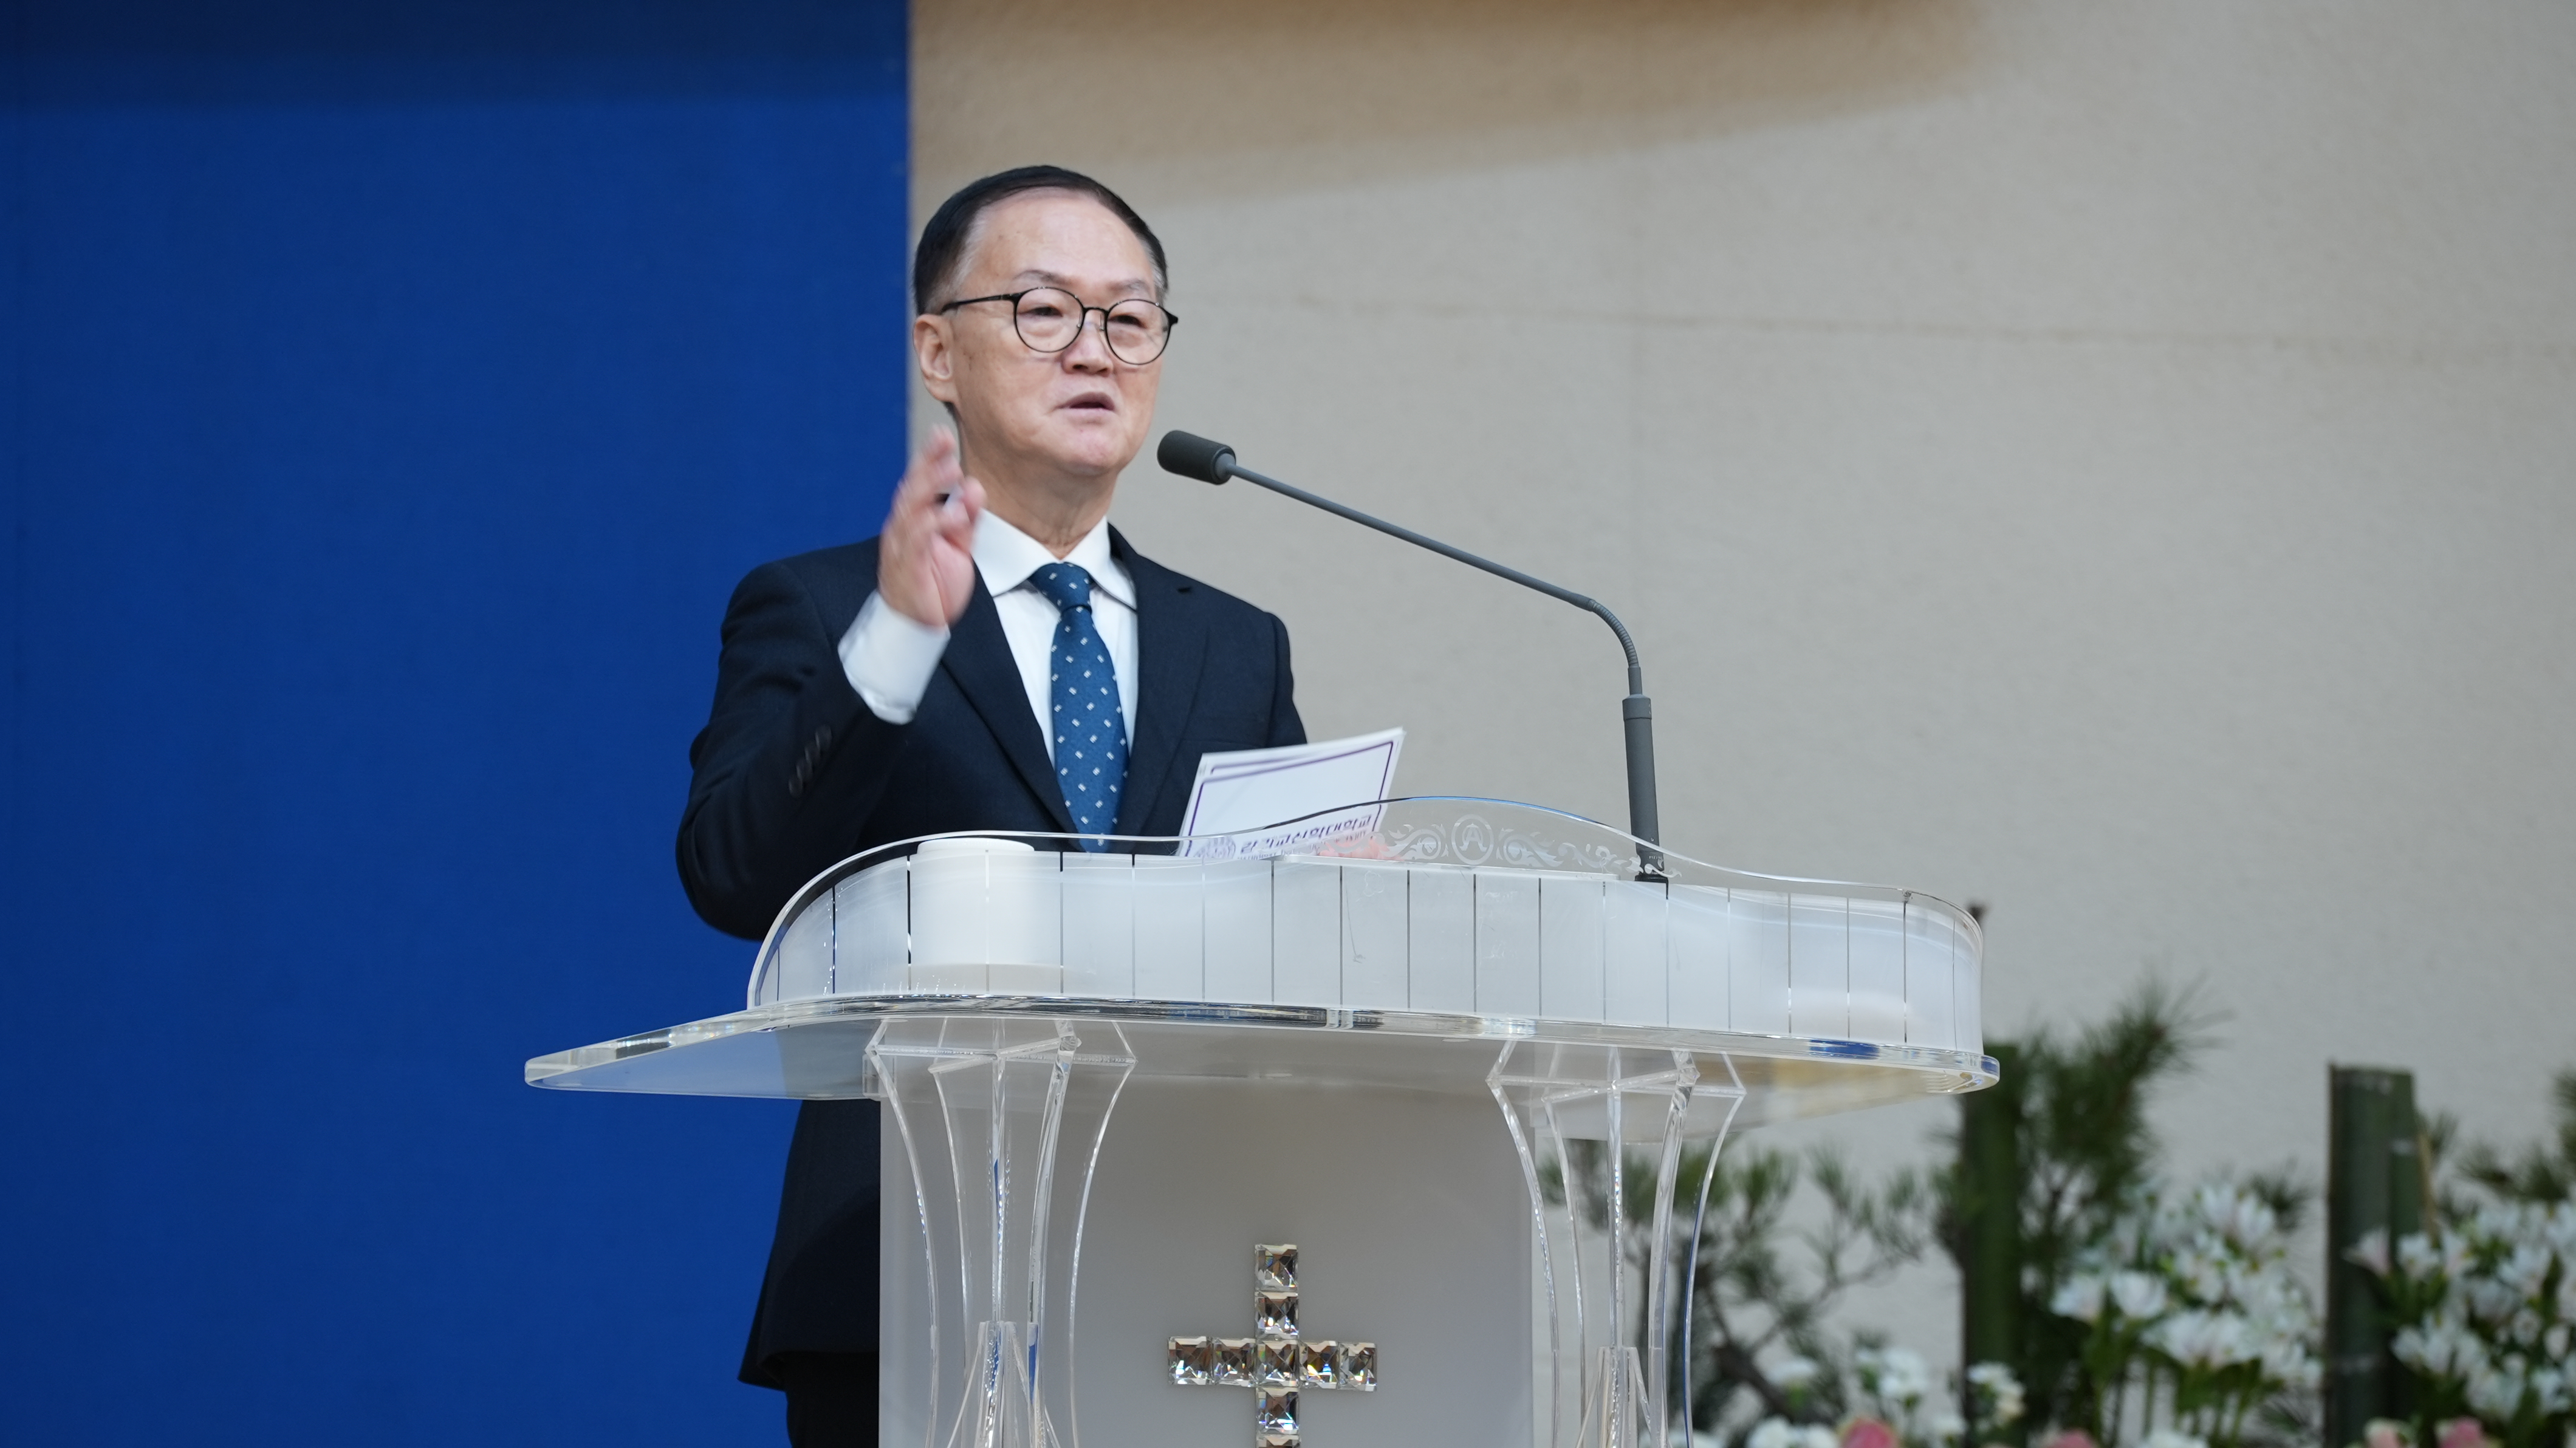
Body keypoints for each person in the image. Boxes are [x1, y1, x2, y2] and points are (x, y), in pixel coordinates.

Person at [675, 165, 1306, 1446]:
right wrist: (898, 639)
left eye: (1130, 318)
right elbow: (733, 873)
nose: (1097, 350)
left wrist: (1342, 899)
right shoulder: (823, 608)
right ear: (936, 352)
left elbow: (1270, 942)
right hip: (901, 1273)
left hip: (1185, 1277)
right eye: (1044, 310)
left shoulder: (1235, 646)